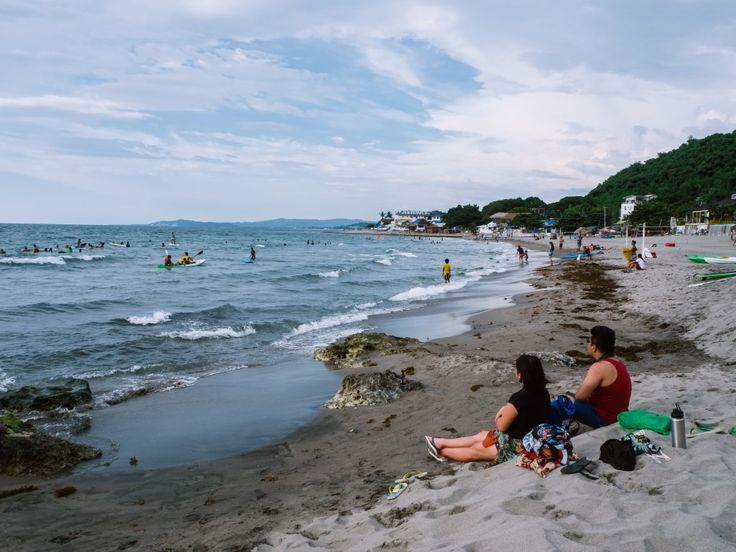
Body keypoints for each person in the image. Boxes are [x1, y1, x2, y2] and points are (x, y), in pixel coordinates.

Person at [424, 355, 551, 464]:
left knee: (475, 449)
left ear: (520, 375)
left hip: (517, 447)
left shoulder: (518, 398)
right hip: (532, 439)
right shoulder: (544, 393)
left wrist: (500, 414)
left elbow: (502, 427)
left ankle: (443, 452)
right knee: (481, 435)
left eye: (516, 370)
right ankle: (440, 442)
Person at [570, 326, 631, 428]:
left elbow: (580, 397)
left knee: (563, 403)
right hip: (619, 416)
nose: (587, 343)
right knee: (569, 397)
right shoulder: (618, 362)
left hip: (607, 420)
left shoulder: (599, 367)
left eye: (588, 340)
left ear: (594, 347)